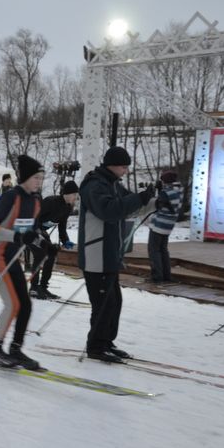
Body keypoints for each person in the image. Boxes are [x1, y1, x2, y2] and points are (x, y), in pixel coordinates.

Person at [79, 146, 154, 363]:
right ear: (112, 165)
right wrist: (140, 199)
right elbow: (109, 211)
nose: (126, 171)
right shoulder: (94, 186)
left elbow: (129, 207)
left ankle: (106, 342)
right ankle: (95, 347)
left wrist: (154, 201)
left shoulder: (113, 185)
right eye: (124, 167)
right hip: (96, 255)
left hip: (110, 254)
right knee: (103, 305)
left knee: (114, 302)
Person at [0, 155, 45, 370]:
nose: (39, 181)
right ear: (26, 178)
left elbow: (32, 230)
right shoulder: (11, 197)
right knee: (13, 304)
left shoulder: (36, 200)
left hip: (12, 258)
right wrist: (18, 237)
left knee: (25, 304)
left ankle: (16, 350)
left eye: (41, 177)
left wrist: (43, 243)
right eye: (36, 177)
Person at [29, 180, 79, 300]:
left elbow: (62, 227)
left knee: (51, 254)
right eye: (75, 195)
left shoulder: (67, 208)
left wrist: (65, 240)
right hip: (31, 230)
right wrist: (37, 232)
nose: (76, 199)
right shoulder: (50, 202)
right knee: (40, 255)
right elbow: (34, 217)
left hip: (42, 232)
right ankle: (34, 288)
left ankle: (43, 287)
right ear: (67, 194)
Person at [147, 170, 184, 284]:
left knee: (154, 251)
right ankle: (166, 276)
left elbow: (155, 204)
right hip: (168, 225)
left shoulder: (167, 192)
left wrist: (154, 190)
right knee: (163, 250)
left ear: (166, 181)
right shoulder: (179, 190)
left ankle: (157, 276)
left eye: (163, 181)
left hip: (159, 225)